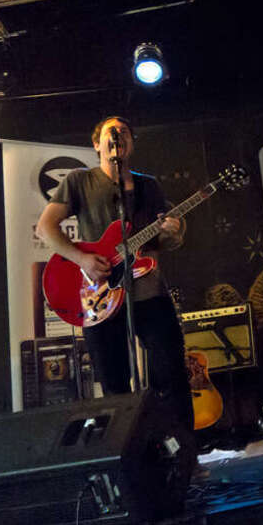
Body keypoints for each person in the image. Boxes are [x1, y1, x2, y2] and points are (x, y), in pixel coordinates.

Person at [36, 116, 193, 430]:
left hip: (148, 292)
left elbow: (161, 241)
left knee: (172, 373)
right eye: (110, 132)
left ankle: (184, 457)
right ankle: (129, 464)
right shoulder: (79, 181)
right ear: (97, 144)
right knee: (113, 384)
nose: (117, 136)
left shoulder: (149, 185)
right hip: (100, 298)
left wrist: (174, 233)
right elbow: (45, 228)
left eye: (123, 132)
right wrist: (81, 259)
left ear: (131, 143)